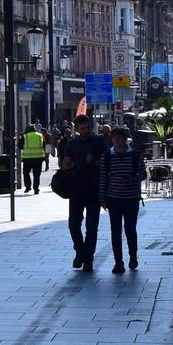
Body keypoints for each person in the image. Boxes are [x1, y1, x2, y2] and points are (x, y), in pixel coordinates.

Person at [60, 112, 106, 272]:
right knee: (73, 224)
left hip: (94, 189)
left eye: (88, 127)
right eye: (83, 128)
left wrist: (93, 161)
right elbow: (65, 163)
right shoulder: (72, 143)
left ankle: (88, 259)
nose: (87, 130)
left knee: (92, 227)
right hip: (77, 189)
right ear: (77, 129)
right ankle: (80, 251)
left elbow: (106, 162)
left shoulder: (98, 141)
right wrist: (67, 165)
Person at [100, 124, 145, 273]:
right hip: (113, 198)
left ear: (126, 139)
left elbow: (143, 174)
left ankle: (133, 257)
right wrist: (102, 199)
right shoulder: (107, 156)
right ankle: (118, 262)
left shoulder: (135, 155)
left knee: (130, 229)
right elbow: (102, 178)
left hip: (131, 198)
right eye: (114, 138)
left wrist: (132, 177)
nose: (117, 140)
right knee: (115, 231)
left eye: (120, 138)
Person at [19, 123, 47, 193]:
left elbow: (20, 146)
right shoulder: (40, 136)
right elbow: (44, 145)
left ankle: (28, 187)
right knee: (37, 174)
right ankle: (36, 189)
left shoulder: (25, 136)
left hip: (27, 158)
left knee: (26, 173)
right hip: (38, 158)